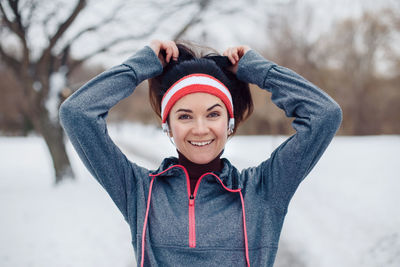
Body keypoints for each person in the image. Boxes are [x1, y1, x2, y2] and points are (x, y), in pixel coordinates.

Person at [59, 39, 342, 267]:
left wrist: (258, 70)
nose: (200, 128)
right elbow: (77, 113)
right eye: (184, 116)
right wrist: (142, 65)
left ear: (229, 123)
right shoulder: (139, 192)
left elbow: (324, 115)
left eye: (213, 114)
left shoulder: (263, 191)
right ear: (167, 126)